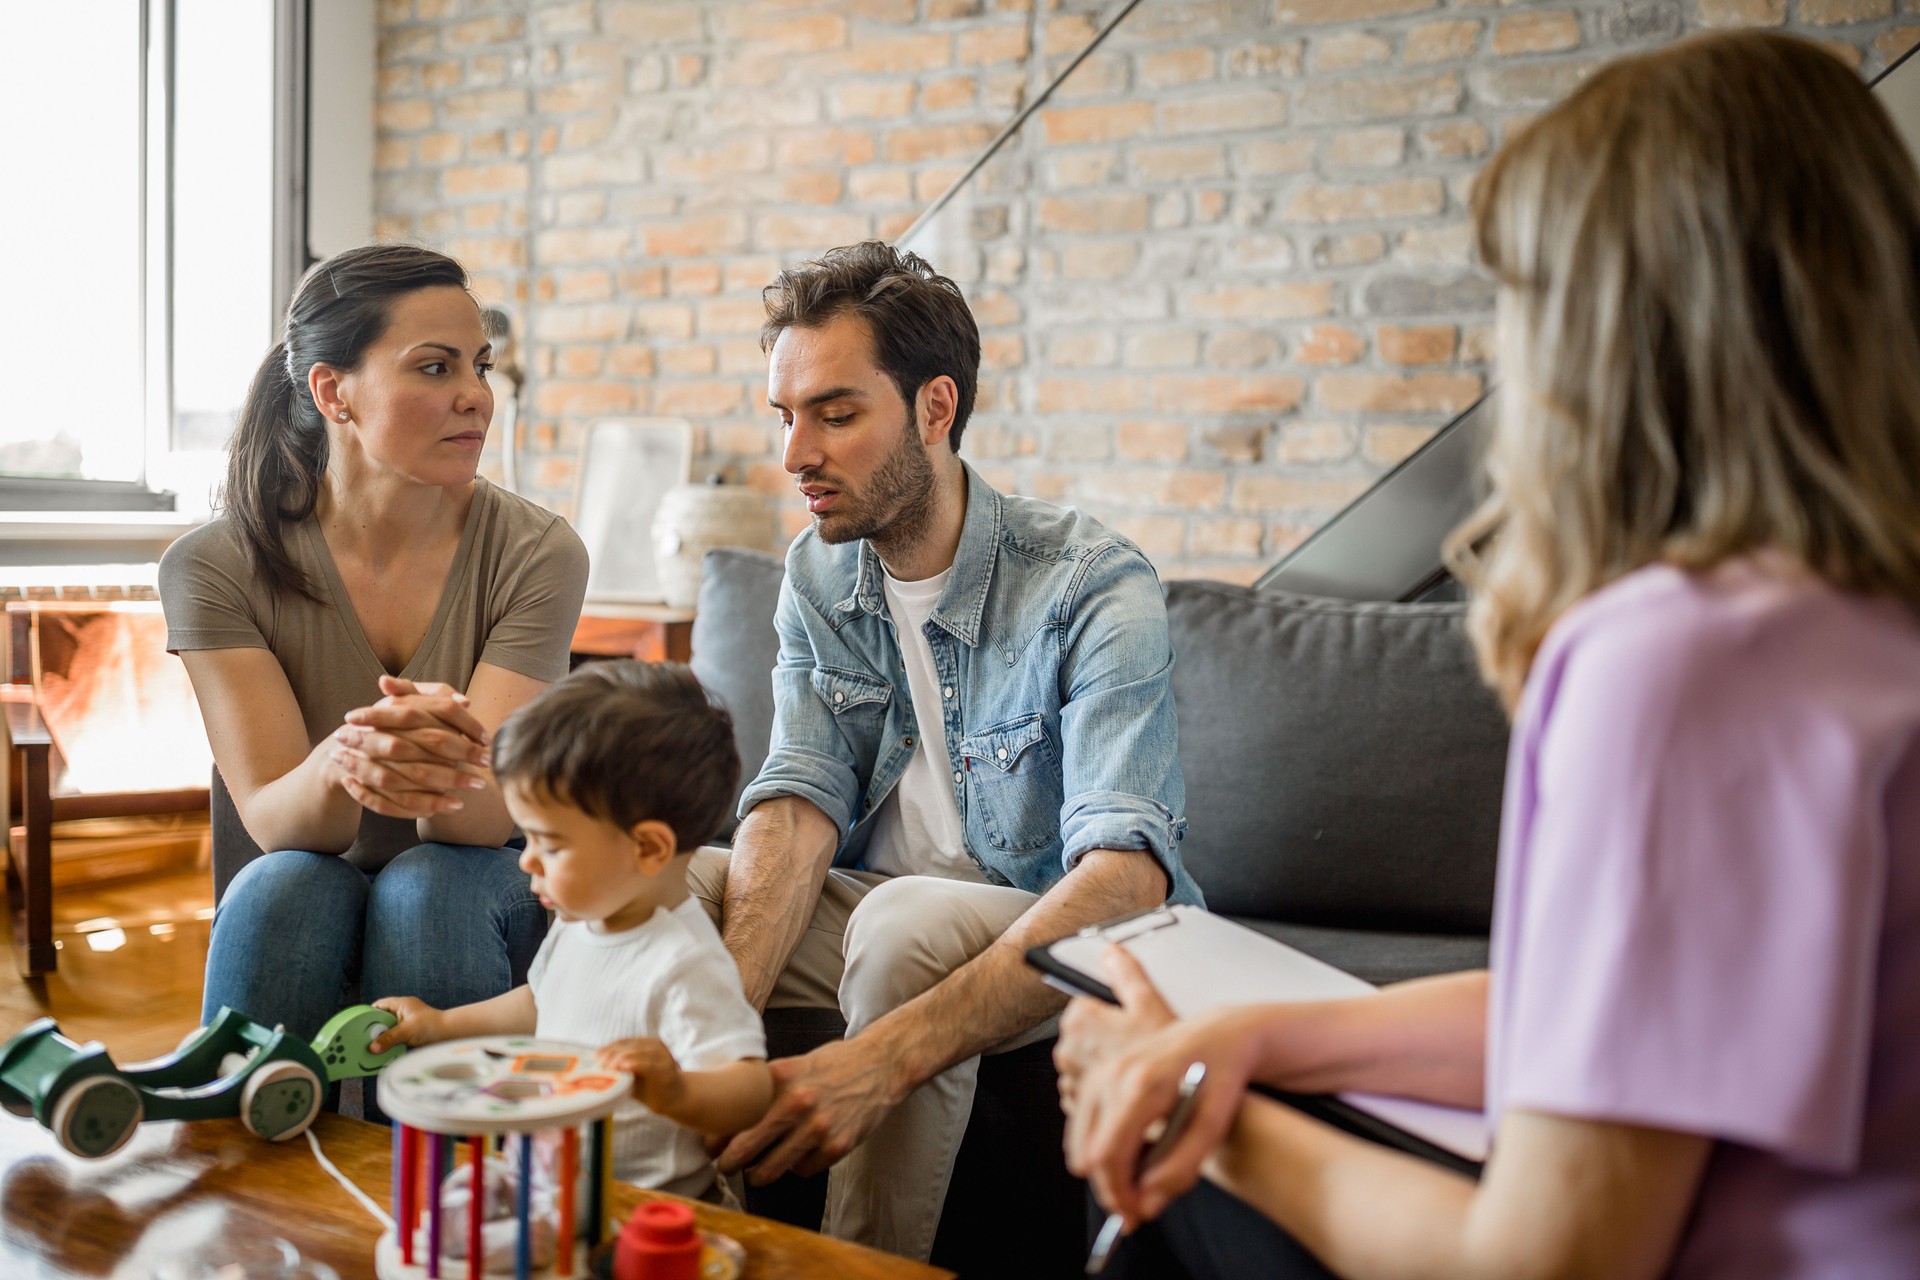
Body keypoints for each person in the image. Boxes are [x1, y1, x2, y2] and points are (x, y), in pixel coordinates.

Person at [1056, 31, 1920, 1280]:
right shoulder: (1863, 624)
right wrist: (1252, 1033)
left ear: (1599, 339)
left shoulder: (1680, 662)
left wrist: (1206, 1118)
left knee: (1160, 1223)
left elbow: (1549, 1261)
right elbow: (1606, 1022)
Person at [690, 241, 1205, 1260]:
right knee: (671, 885)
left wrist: (874, 1061)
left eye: (835, 413)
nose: (796, 454)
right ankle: (656, 1228)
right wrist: (722, 1021)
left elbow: (1125, 877)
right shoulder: (820, 572)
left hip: (1057, 931)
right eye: (785, 416)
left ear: (935, 408)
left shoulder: (1090, 582)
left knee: (903, 919)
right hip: (882, 908)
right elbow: (797, 797)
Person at [160, 244, 588, 1057]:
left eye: (481, 366)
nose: (476, 398)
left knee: (432, 888)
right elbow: (279, 821)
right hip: (296, 863)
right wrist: (353, 757)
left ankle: (454, 1176)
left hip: (472, 871)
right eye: (434, 368)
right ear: (333, 392)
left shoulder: (540, 553)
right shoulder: (213, 566)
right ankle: (251, 1166)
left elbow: (486, 819)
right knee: (286, 885)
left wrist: (426, 759)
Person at [370, 661, 772, 1199]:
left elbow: (749, 1088)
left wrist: (677, 1091)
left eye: (550, 845)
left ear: (648, 848)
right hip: (554, 1185)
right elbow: (540, 1001)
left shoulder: (684, 960)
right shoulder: (582, 922)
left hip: (644, 1206)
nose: (525, 862)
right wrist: (440, 1024)